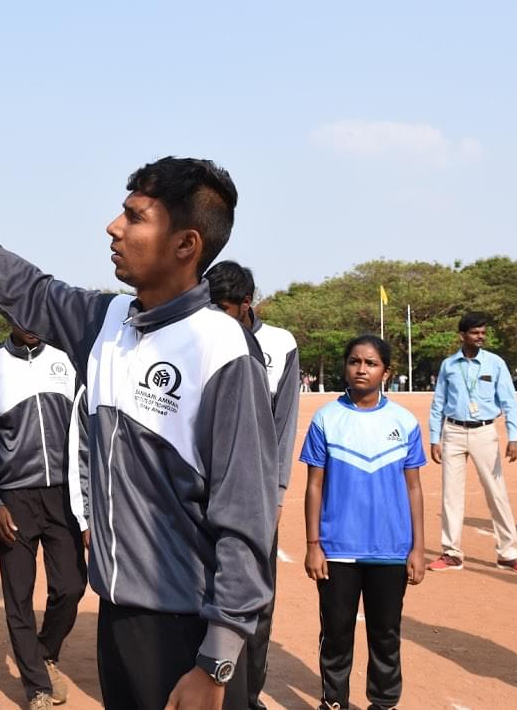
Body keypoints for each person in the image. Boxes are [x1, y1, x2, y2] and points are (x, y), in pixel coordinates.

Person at [0, 156, 279, 710]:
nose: (113, 227)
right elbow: (33, 291)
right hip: (119, 615)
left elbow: (247, 514)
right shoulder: (108, 323)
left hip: (191, 631)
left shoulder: (221, 350)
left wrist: (218, 658)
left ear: (186, 245)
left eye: (134, 217)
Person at [301, 335, 426, 710]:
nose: (361, 369)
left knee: (385, 633)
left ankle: (384, 702)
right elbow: (314, 485)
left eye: (371, 363)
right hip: (337, 550)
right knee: (336, 633)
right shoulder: (326, 418)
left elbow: (415, 489)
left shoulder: (404, 421)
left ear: (386, 372)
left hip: (391, 550)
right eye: (354, 361)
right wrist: (313, 546)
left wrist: (418, 548)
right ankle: (333, 701)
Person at [0, 326, 88, 708]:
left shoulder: (67, 359)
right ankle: (37, 686)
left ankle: (45, 652)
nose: (31, 321)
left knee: (71, 585)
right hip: (14, 499)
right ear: (5, 316)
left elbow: (87, 430)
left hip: (64, 495)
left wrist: (88, 500)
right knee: (18, 594)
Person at [205, 260, 300, 710]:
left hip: (257, 495)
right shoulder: (196, 335)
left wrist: (276, 493)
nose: (215, 317)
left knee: (256, 604)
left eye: (224, 308)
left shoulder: (279, 345)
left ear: (247, 305)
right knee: (202, 594)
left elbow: (284, 426)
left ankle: (248, 693)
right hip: (203, 491)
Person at [427, 312, 517, 574]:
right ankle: (451, 553)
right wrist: (434, 438)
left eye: (483, 332)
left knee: (496, 493)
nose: (481, 337)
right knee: (451, 495)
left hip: (485, 432)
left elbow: (509, 402)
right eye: (475, 333)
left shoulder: (495, 363)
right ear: (462, 336)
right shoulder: (448, 365)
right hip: (453, 431)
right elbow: (438, 403)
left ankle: (508, 554)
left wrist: (514, 436)